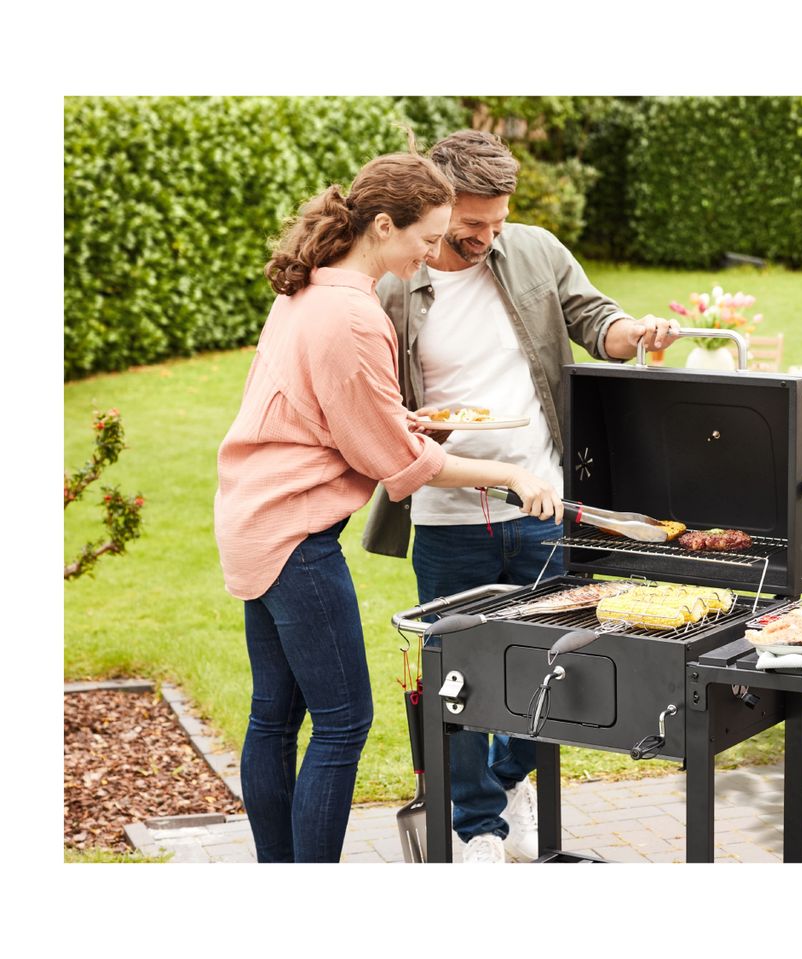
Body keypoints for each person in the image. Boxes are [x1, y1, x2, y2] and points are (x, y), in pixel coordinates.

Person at [213, 142, 563, 864]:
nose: (431, 255)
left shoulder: (311, 290)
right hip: (295, 537)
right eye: (426, 238)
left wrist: (399, 420)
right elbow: (399, 466)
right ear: (381, 227)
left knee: (274, 718)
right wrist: (508, 477)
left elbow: (336, 412)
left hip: (255, 519)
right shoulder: (353, 315)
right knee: (344, 722)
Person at [361, 129, 677, 863]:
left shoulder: (534, 249)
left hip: (542, 504)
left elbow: (598, 321)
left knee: (561, 667)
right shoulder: (394, 282)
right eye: (471, 226)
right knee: (461, 679)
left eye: (495, 222)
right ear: (437, 205)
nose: (485, 237)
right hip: (446, 511)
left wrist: (634, 333)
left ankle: (509, 782)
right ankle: (478, 828)